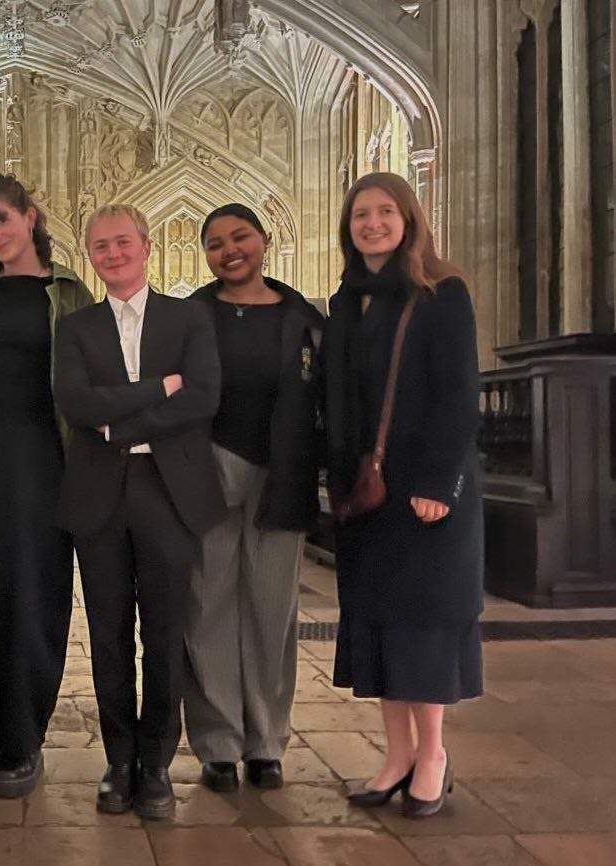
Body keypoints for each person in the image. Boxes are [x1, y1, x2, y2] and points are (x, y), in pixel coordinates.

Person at [54, 204, 223, 819]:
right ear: (91, 257)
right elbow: (75, 402)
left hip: (168, 490)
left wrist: (117, 423)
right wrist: (159, 389)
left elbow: (203, 395)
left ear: (147, 246)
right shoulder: (75, 328)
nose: (113, 254)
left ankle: (155, 764)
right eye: (101, 247)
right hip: (99, 495)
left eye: (123, 242)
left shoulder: (188, 318)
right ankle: (118, 758)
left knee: (164, 631)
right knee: (107, 635)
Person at [325, 172, 483, 819]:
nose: (372, 223)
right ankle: (396, 755)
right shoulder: (345, 301)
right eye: (361, 214)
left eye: (385, 211)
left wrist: (437, 486)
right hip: (367, 493)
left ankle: (434, 756)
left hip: (424, 491)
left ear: (408, 217)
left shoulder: (442, 291)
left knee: (423, 625)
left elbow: (458, 394)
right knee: (380, 625)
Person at [0, 172, 93, 798]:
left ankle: (23, 740)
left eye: (2, 219)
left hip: (39, 463)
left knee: (31, 599)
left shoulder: (69, 293)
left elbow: (90, 384)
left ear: (30, 217)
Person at [183, 204, 326, 793]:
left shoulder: (305, 317)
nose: (230, 250)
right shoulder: (190, 315)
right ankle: (218, 743)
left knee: (273, 610)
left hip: (283, 468)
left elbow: (331, 395)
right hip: (208, 464)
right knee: (208, 602)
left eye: (240, 236)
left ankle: (266, 741)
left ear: (265, 239)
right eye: (215, 243)